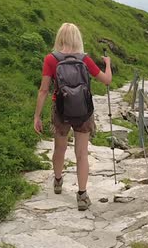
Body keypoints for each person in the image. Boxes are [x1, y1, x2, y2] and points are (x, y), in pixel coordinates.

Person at [33, 23, 112, 211]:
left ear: (59, 37)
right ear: (78, 38)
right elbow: (107, 80)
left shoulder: (51, 59)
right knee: (81, 153)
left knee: (59, 149)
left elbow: (44, 90)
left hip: (61, 110)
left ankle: (58, 181)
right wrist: (108, 64)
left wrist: (37, 116)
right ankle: (82, 195)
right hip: (83, 111)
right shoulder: (85, 59)